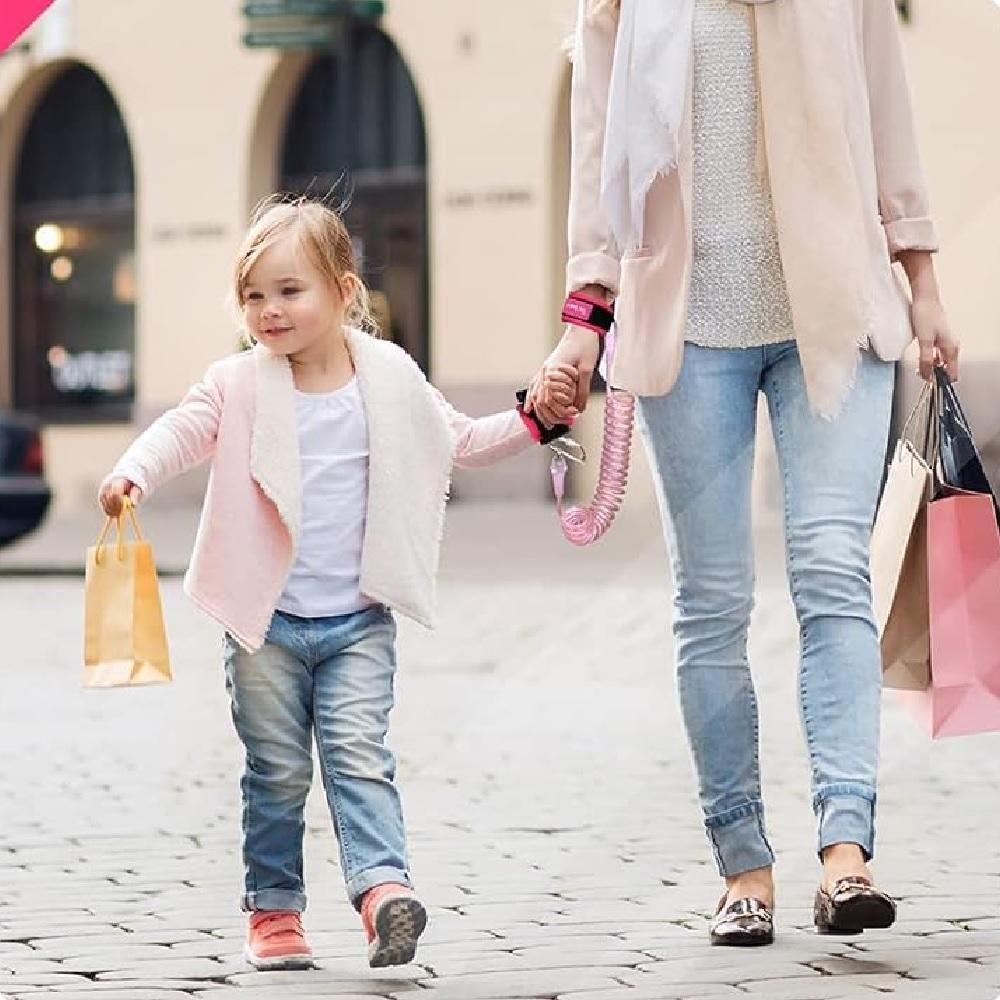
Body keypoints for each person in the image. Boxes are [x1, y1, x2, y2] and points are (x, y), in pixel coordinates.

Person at [527, 0, 959, 946]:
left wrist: (922, 285)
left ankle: (846, 852)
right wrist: (581, 318)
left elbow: (888, 117)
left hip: (835, 312)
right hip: (688, 333)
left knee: (833, 571)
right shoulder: (620, 6)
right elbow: (600, 171)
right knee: (711, 602)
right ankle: (743, 868)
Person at [99, 197, 577, 970]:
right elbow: (180, 431)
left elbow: (457, 439)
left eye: (290, 290)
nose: (270, 310)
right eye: (254, 294)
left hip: (357, 621)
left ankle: (385, 893)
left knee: (359, 756)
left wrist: (533, 420)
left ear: (343, 290)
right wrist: (132, 475)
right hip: (268, 625)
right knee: (278, 772)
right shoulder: (238, 383)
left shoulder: (387, 376)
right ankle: (275, 911)